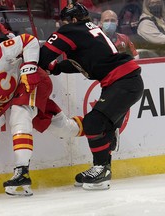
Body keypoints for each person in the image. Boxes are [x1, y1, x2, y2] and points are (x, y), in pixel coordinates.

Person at [0, 33, 84, 196]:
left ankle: (21, 171)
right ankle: (100, 129)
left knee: (19, 115)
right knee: (63, 128)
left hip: (32, 83)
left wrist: (29, 67)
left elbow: (28, 40)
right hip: (21, 98)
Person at [39, 3, 144, 190]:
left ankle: (101, 170)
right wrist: (55, 68)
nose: (61, 25)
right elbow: (84, 64)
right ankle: (103, 167)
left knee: (93, 123)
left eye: (64, 21)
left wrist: (34, 57)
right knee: (103, 126)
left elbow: (43, 57)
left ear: (72, 20)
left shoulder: (70, 30)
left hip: (122, 82)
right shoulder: (91, 30)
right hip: (125, 81)